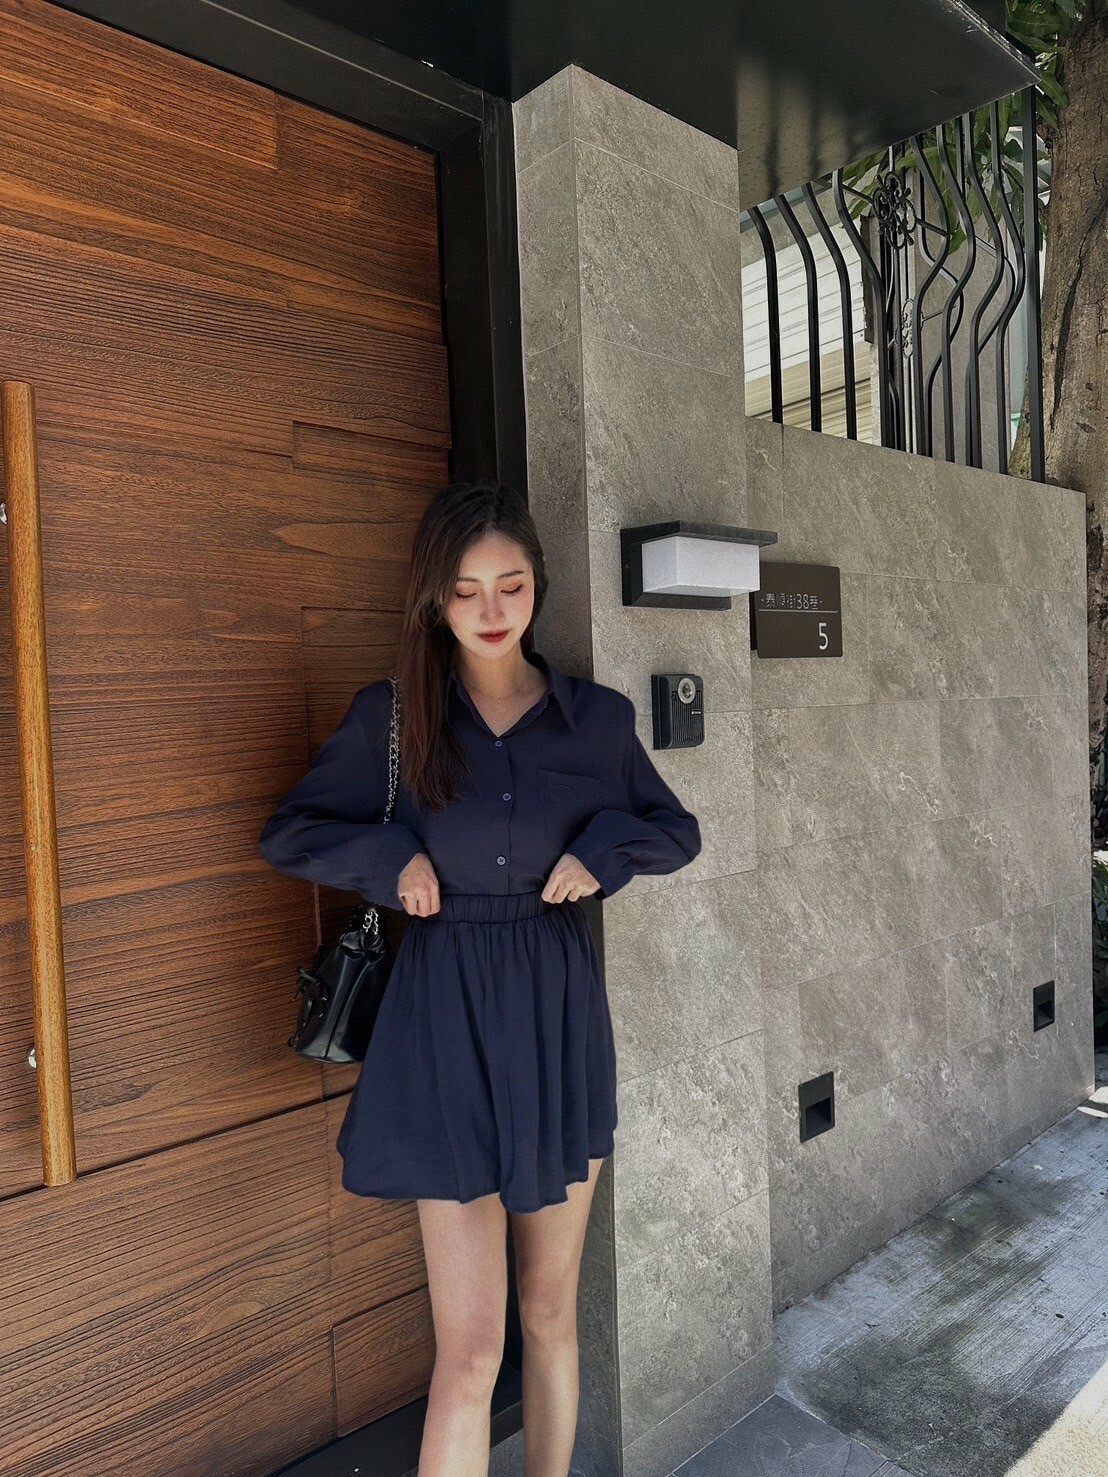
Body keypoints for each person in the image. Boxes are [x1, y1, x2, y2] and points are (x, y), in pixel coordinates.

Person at [257, 477, 701, 1476]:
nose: (491, 610)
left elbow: (676, 830)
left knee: (548, 1311)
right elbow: (287, 832)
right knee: (469, 1348)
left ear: (537, 585)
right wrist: (390, 861)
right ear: (433, 597)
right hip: (441, 1019)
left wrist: (603, 851)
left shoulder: (594, 722)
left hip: (553, 1016)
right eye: (465, 590)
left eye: (510, 585)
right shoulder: (392, 718)